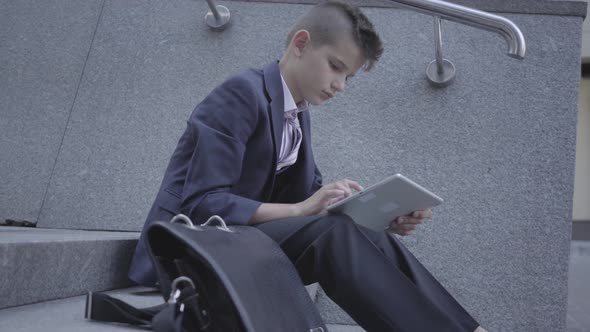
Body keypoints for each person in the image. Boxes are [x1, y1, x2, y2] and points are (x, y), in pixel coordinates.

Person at [129, 1, 487, 331]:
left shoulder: (297, 115)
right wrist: (301, 208)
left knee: (357, 231)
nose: (340, 86)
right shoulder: (241, 93)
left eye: (348, 78)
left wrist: (377, 217)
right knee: (334, 237)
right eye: (336, 67)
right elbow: (202, 204)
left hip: (244, 244)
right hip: (190, 250)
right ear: (300, 44)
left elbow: (309, 206)